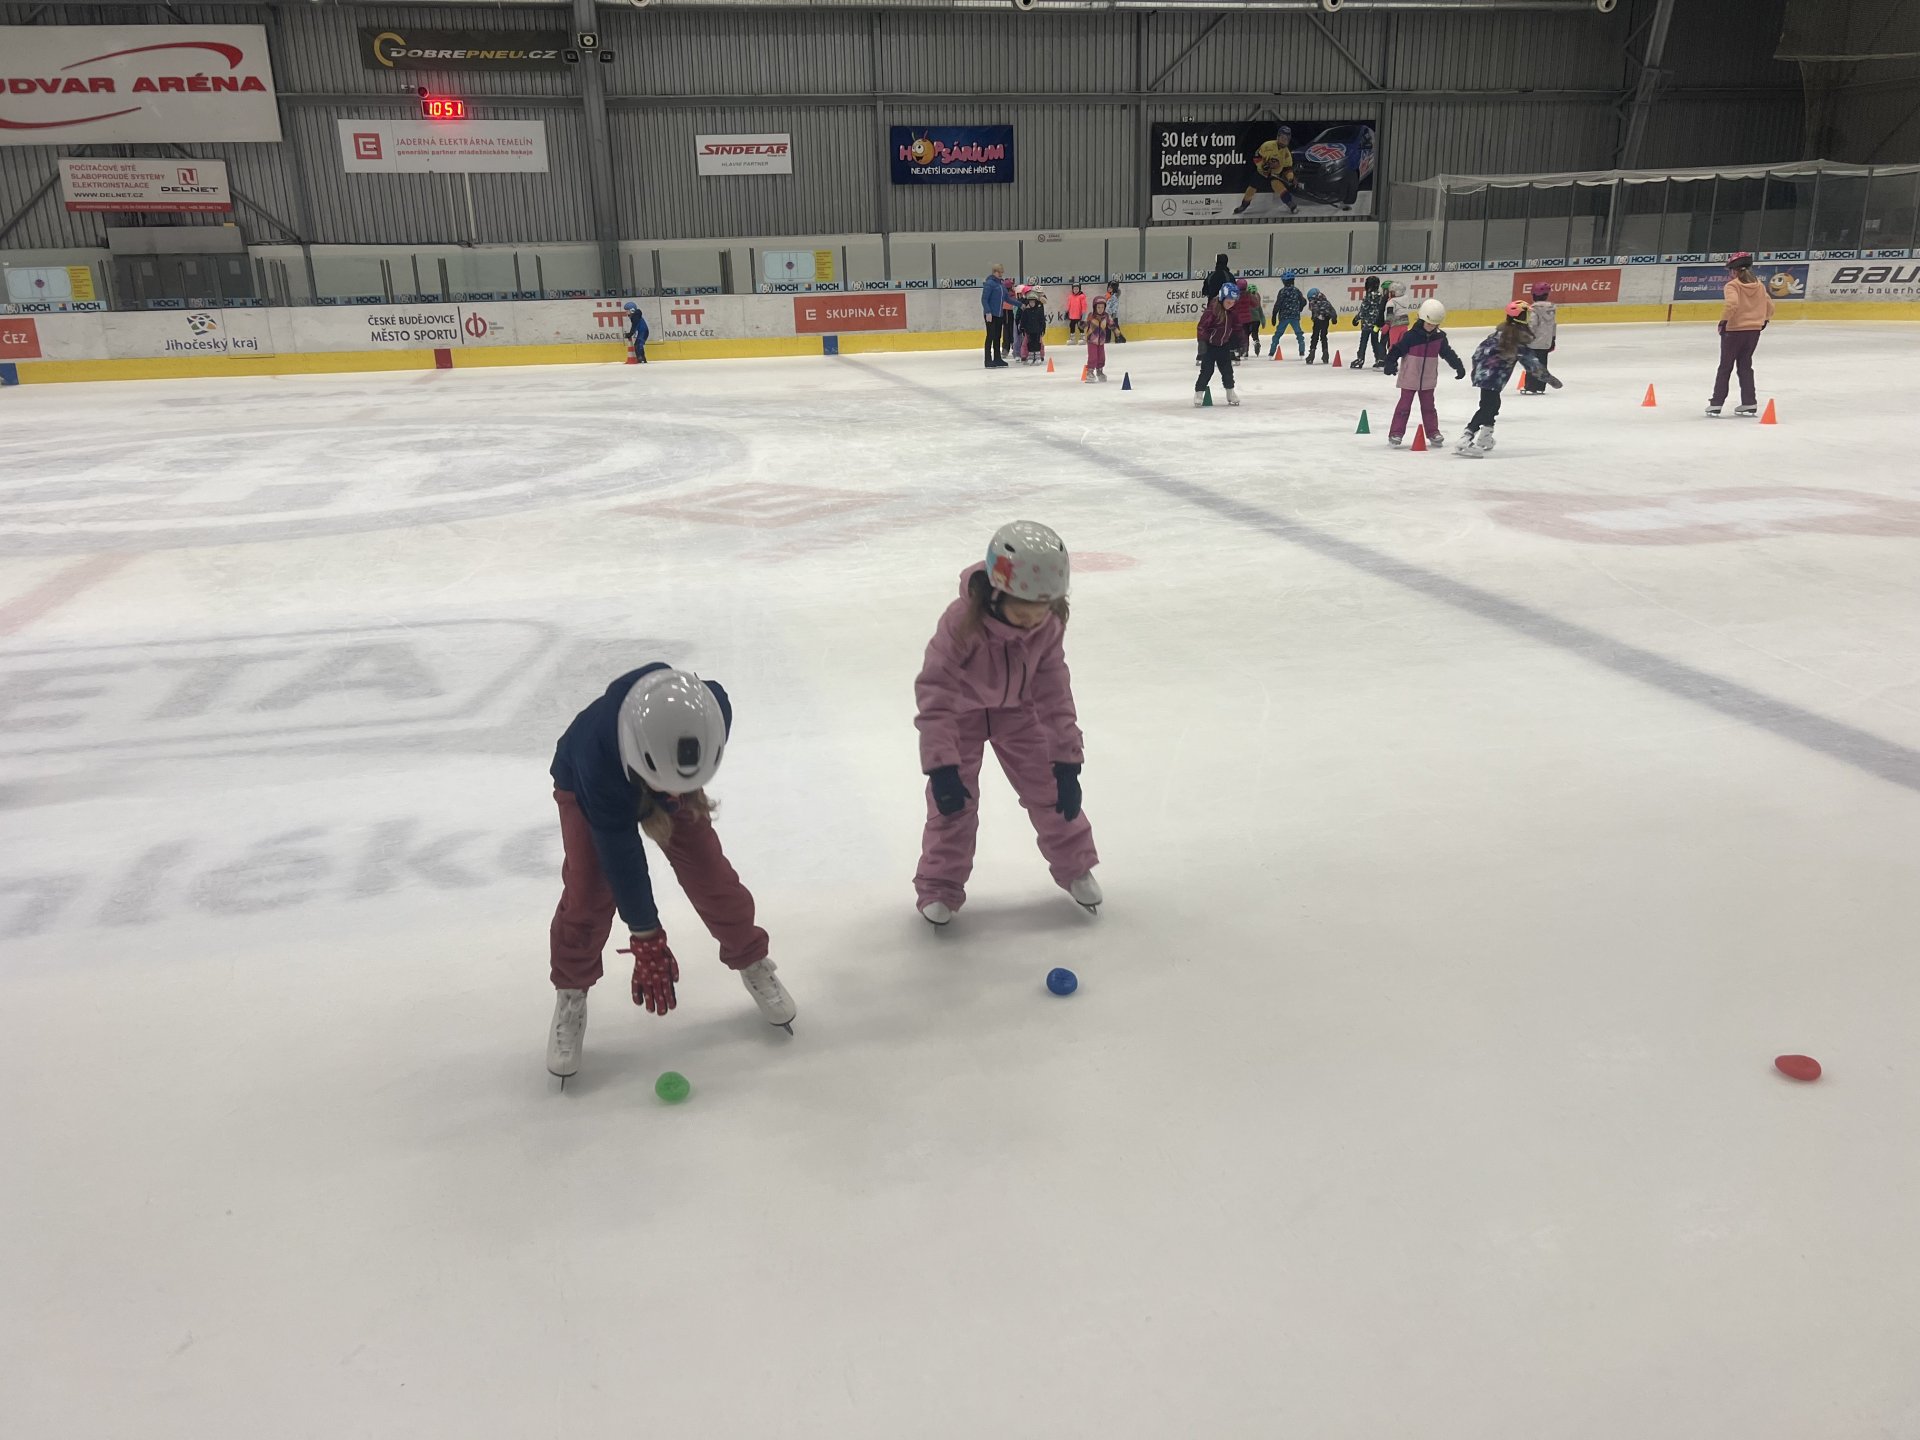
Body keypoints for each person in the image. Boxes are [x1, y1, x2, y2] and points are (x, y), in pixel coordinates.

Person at [545, 666, 795, 1080]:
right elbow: (621, 856)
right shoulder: (596, 755)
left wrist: (673, 785)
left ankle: (753, 960)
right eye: (669, 789)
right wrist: (646, 935)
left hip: (661, 763)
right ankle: (571, 992)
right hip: (585, 784)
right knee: (588, 893)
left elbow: (679, 784)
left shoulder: (711, 710)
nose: (676, 797)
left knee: (712, 875)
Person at [913, 522, 1099, 926]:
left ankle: (1076, 866)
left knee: (1051, 790)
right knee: (954, 805)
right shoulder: (961, 622)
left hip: (1019, 713)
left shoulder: (1047, 625)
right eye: (1022, 612)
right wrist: (941, 766)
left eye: (1041, 611)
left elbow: (1054, 689)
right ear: (996, 595)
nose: (1032, 622)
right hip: (960, 716)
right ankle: (940, 885)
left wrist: (1067, 758)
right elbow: (936, 691)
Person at [1456, 301, 1543, 457]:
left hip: (1485, 375)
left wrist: (1478, 370)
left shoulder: (1498, 334)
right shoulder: (1516, 338)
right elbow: (1531, 362)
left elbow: (1478, 353)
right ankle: (1466, 438)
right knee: (1487, 407)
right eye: (1526, 315)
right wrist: (1548, 378)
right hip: (1493, 378)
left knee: (1492, 404)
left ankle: (1485, 436)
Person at [1382, 298, 1466, 447]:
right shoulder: (1411, 336)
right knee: (1403, 407)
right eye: (1429, 323)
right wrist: (1390, 362)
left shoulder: (1439, 338)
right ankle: (1396, 433)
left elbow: (1447, 353)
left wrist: (1457, 365)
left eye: (1434, 325)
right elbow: (1397, 350)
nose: (1431, 327)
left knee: (1429, 407)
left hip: (1428, 378)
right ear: (1421, 319)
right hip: (1410, 377)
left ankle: (1433, 432)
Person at [1708, 252, 1774, 417]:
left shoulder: (1733, 286)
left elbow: (1732, 304)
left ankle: (1716, 403)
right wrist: (1764, 319)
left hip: (1734, 331)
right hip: (1754, 331)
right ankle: (1749, 402)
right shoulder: (1759, 285)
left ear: (1734, 271)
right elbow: (1770, 305)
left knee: (1725, 367)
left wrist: (1723, 322)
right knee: (1745, 366)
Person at [1235, 123, 1298, 216]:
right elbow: (1256, 157)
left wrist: (1290, 178)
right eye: (1282, 137)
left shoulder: (1287, 154)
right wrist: (1262, 166)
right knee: (1252, 187)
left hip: (1274, 175)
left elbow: (1287, 169)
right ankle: (1243, 205)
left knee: (1279, 186)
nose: (1284, 140)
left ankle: (1290, 203)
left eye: (1286, 138)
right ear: (1278, 136)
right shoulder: (1267, 145)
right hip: (1261, 173)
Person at [1194, 286, 1241, 407]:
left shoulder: (1232, 312)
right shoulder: (1212, 310)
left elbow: (1236, 326)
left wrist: (1237, 340)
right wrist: (1202, 342)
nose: (1231, 304)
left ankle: (1230, 393)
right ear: (1222, 298)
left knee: (1227, 371)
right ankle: (1199, 393)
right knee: (1207, 371)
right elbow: (1202, 327)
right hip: (1210, 347)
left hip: (1223, 346)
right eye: (1228, 302)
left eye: (1233, 302)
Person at [1519, 281, 1562, 394]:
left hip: (1534, 342)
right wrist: (1553, 339)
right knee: (1543, 364)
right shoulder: (1551, 309)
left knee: (1532, 364)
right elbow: (1553, 325)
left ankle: (1531, 386)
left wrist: (1525, 337)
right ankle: (1540, 386)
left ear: (1533, 295)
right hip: (1546, 342)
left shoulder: (1534, 309)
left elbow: (1532, 325)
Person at [1352, 276, 1387, 370]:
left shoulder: (1368, 296)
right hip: (1376, 323)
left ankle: (1360, 358)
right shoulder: (1380, 296)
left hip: (1367, 324)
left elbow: (1363, 310)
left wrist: (1356, 319)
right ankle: (1379, 358)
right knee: (1375, 340)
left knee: (1363, 341)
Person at [1269, 271, 1306, 357]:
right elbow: (1303, 301)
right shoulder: (1296, 291)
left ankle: (1271, 352)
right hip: (1294, 316)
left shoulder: (1282, 291)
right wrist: (1300, 308)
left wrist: (1274, 315)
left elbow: (1278, 304)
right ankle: (1302, 351)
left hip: (1284, 317)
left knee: (1278, 334)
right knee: (1299, 334)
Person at [981, 265, 1009, 368]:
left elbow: (1007, 298)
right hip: (991, 315)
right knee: (990, 336)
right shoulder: (989, 283)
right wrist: (988, 312)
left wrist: (1020, 304)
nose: (1001, 274)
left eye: (1002, 272)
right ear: (994, 272)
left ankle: (997, 358)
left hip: (999, 314)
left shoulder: (1001, 284)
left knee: (997, 337)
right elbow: (984, 299)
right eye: (999, 272)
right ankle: (988, 360)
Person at [1084, 295, 1115, 381]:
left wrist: (1117, 333)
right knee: (1093, 357)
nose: (1100, 309)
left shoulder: (1106, 316)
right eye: (1098, 307)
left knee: (1101, 357)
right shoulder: (1091, 315)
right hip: (1092, 340)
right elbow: (1085, 323)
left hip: (1101, 341)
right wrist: (1082, 325)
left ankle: (1099, 371)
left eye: (1102, 307)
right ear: (1095, 307)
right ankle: (1090, 372)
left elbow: (1112, 324)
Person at [1305, 286, 1337, 364]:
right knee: (1323, 337)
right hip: (1325, 321)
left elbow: (1314, 312)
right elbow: (1332, 310)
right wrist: (1334, 318)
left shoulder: (1313, 303)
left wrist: (1314, 318)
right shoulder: (1326, 302)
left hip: (1317, 321)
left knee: (1315, 337)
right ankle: (1325, 355)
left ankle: (1311, 355)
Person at [1017, 287, 1048, 364]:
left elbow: (1042, 320)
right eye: (1030, 302)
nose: (1032, 303)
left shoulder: (1039, 310)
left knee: (1038, 343)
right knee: (1029, 343)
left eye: (1033, 302)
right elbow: (1023, 320)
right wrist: (1022, 327)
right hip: (1029, 330)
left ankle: (1038, 356)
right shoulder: (1026, 311)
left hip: (1037, 330)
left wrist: (1043, 328)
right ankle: (1030, 356)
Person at [1382, 281, 1411, 358]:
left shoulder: (1391, 302)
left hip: (1395, 326)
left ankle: (1391, 361)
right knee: (1403, 345)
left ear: (1394, 293)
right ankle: (1407, 361)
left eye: (1390, 292)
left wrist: (1387, 325)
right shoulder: (1405, 299)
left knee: (1393, 346)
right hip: (1404, 325)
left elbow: (1390, 314)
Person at [1231, 282, 1258, 360]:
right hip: (1247, 319)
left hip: (1238, 319)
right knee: (1245, 336)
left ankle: (1238, 350)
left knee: (1237, 335)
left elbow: (1232, 306)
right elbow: (1255, 304)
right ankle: (1245, 351)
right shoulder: (1248, 295)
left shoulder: (1236, 295)